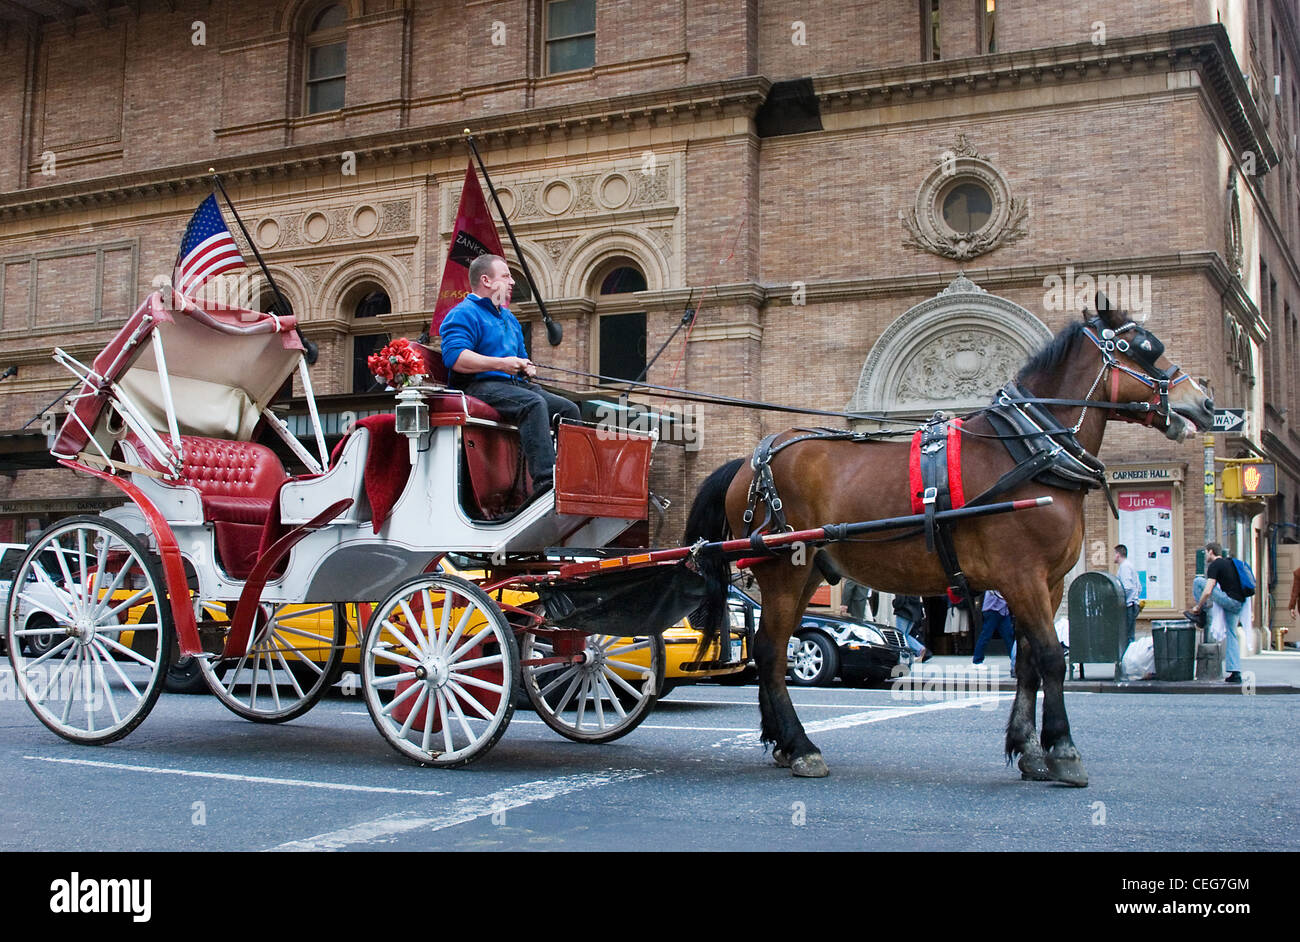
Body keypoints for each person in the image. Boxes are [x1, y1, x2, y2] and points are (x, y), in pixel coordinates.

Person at [438, 254, 580, 493]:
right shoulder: (462, 313)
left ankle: (573, 478)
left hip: (512, 386)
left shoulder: (509, 318)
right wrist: (502, 364)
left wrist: (527, 366)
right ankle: (546, 484)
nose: (512, 281)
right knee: (533, 403)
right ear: (486, 280)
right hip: (477, 386)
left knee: (569, 409)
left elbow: (521, 355)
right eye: (506, 276)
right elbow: (456, 358)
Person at [1187, 542, 1246, 684]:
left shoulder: (1215, 565)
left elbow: (1208, 590)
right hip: (1239, 603)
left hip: (1229, 600)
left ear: (1211, 552)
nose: (1205, 555)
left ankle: (1200, 614)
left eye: (1206, 552)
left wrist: (1198, 606)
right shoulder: (1230, 563)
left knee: (1198, 581)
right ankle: (1235, 672)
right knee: (1232, 634)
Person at [973, 589, 1016, 674]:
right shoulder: (993, 579)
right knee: (986, 636)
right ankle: (977, 661)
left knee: (1009, 636)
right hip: (992, 610)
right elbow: (999, 594)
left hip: (1003, 611)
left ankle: (1015, 661)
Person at [1114, 544, 1141, 646]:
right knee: (1130, 634)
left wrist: (1122, 603)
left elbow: (1127, 588)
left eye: (1114, 554)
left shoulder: (1124, 567)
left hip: (1129, 606)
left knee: (1127, 636)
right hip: (1133, 604)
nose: (1113, 556)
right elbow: (1138, 587)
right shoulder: (1129, 566)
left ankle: (1128, 658)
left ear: (1118, 555)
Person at [892, 594, 931, 662]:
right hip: (913, 614)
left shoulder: (901, 585)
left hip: (903, 611)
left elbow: (899, 600)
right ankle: (920, 649)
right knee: (905, 636)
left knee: (900, 636)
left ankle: (904, 656)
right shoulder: (914, 587)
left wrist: (894, 603)